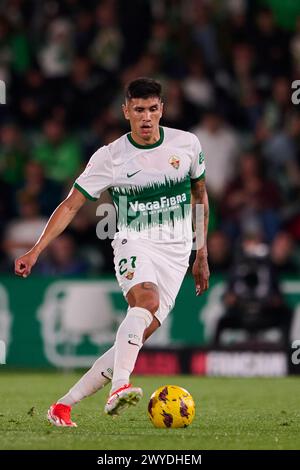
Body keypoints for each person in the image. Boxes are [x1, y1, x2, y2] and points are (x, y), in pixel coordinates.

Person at [15, 77, 210, 427]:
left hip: (177, 254)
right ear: (126, 112)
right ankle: (120, 386)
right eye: (139, 110)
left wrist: (201, 253)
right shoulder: (111, 156)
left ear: (162, 109)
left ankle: (63, 404)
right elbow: (72, 205)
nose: (147, 117)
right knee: (144, 303)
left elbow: (200, 196)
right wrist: (36, 250)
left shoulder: (187, 144)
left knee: (133, 339)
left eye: (153, 109)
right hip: (133, 241)